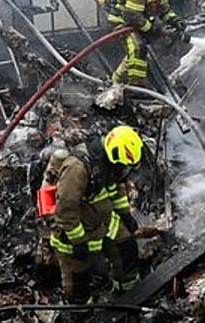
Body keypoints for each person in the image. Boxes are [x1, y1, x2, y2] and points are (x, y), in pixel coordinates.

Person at [44, 125, 144, 304]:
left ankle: (129, 295)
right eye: (122, 164)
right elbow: (65, 210)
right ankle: (81, 313)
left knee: (126, 249)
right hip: (73, 230)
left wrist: (125, 214)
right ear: (113, 153)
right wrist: (79, 241)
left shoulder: (111, 163)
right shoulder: (78, 169)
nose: (123, 169)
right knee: (78, 280)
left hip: (103, 219)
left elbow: (116, 187)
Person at [105, 0, 183, 86]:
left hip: (138, 19)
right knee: (138, 47)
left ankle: (115, 82)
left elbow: (163, 9)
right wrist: (154, 29)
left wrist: (174, 20)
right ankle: (137, 86)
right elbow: (132, 15)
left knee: (135, 54)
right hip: (122, 19)